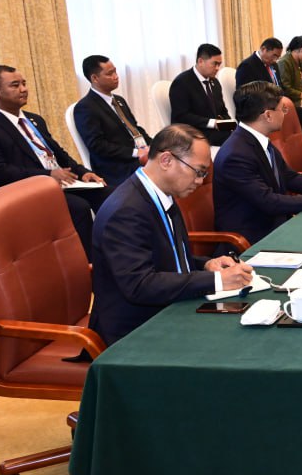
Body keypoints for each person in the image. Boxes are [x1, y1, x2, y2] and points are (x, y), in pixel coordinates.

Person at [90, 124, 254, 345]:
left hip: (169, 306)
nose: (200, 181)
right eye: (198, 171)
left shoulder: (160, 193)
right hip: (135, 331)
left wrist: (206, 265)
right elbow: (140, 285)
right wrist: (216, 280)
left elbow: (165, 256)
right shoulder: (125, 211)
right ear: (166, 160)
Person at [0, 65, 110, 256]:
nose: (24, 89)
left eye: (24, 83)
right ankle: (87, 264)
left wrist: (83, 172)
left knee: (109, 194)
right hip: (24, 191)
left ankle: (112, 254)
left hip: (59, 184)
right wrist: (47, 175)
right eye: (15, 85)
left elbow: (59, 154)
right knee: (78, 208)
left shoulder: (34, 119)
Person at [213, 82, 302, 244]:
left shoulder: (256, 140)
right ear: (268, 115)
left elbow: (290, 177)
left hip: (277, 225)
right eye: (283, 109)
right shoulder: (235, 155)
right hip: (253, 238)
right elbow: (269, 202)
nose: (285, 114)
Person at [73, 54, 152, 186]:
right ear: (95, 78)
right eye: (110, 74)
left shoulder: (119, 100)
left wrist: (154, 145)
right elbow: (98, 145)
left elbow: (135, 128)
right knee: (167, 168)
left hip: (139, 155)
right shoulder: (85, 107)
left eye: (115, 71)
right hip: (118, 166)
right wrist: (136, 153)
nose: (116, 76)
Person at [169, 43, 235, 146]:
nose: (217, 68)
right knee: (236, 140)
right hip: (192, 133)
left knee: (241, 134)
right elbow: (181, 116)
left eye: (219, 64)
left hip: (214, 131)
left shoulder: (215, 82)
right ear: (200, 61)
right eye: (215, 64)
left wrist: (229, 124)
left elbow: (222, 110)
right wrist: (212, 123)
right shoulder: (182, 82)